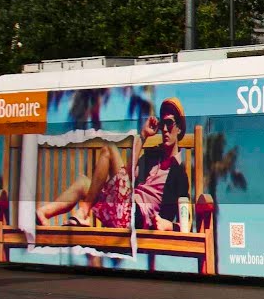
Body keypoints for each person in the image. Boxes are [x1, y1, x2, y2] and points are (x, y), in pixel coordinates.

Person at [37, 97, 192, 232]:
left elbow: (187, 224)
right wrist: (143, 136)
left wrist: (168, 225)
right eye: (162, 123)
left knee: (109, 149)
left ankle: (83, 212)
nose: (164, 129)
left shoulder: (179, 174)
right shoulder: (152, 158)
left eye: (169, 123)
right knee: (83, 183)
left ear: (179, 128)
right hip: (123, 208)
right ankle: (44, 212)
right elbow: (127, 176)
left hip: (137, 219)